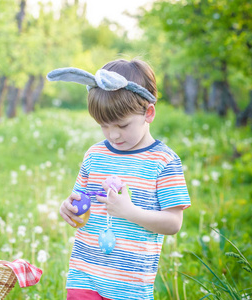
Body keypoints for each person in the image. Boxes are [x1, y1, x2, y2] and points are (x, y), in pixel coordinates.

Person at [47, 59, 191, 300]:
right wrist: (68, 208)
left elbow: (173, 223)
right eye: (104, 126)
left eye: (122, 125)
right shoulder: (95, 155)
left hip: (128, 286)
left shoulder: (163, 161)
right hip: (85, 275)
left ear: (149, 113)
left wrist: (129, 211)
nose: (113, 134)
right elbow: (81, 201)